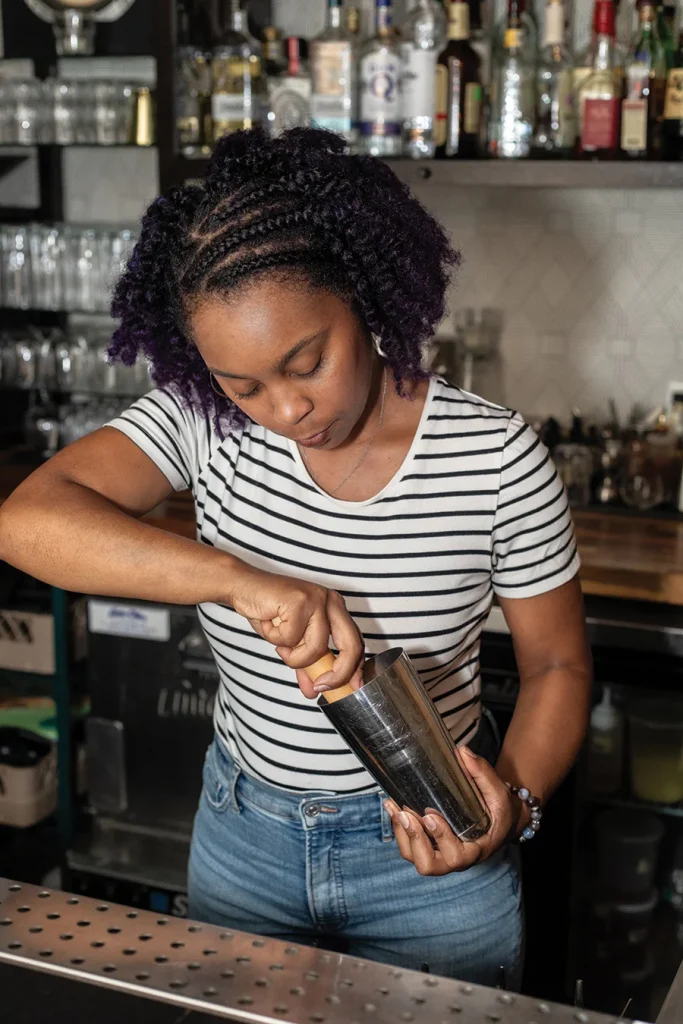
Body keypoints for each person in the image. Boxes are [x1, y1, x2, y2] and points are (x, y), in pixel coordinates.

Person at [0, 128, 591, 988]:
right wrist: (239, 580)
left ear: (361, 293)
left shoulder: (493, 455)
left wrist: (515, 800)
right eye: (244, 384)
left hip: (431, 845)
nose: (283, 409)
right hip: (245, 839)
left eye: (306, 362)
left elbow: (559, 666)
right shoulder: (203, 419)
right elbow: (26, 521)